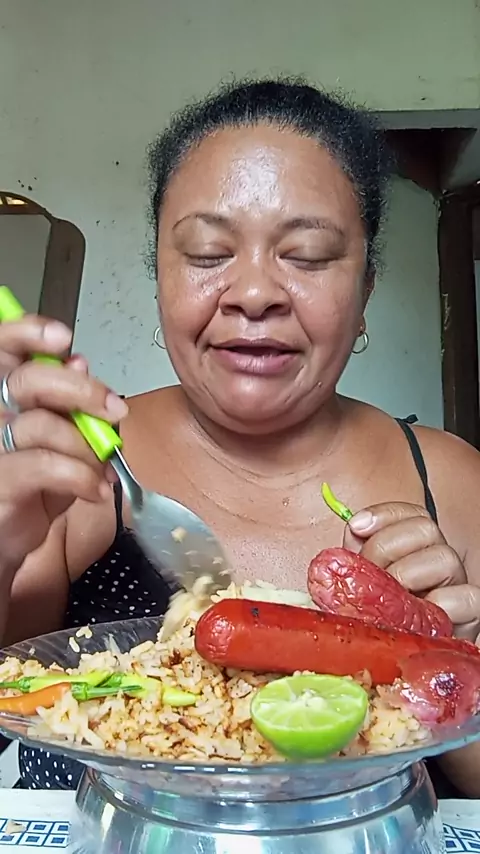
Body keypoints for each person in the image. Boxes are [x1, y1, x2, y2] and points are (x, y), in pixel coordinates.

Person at [1, 78, 480, 796]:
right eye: (206, 253)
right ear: (159, 278)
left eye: (308, 255)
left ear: (366, 291)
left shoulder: (453, 483)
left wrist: (451, 661)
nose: (254, 294)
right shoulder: (78, 473)